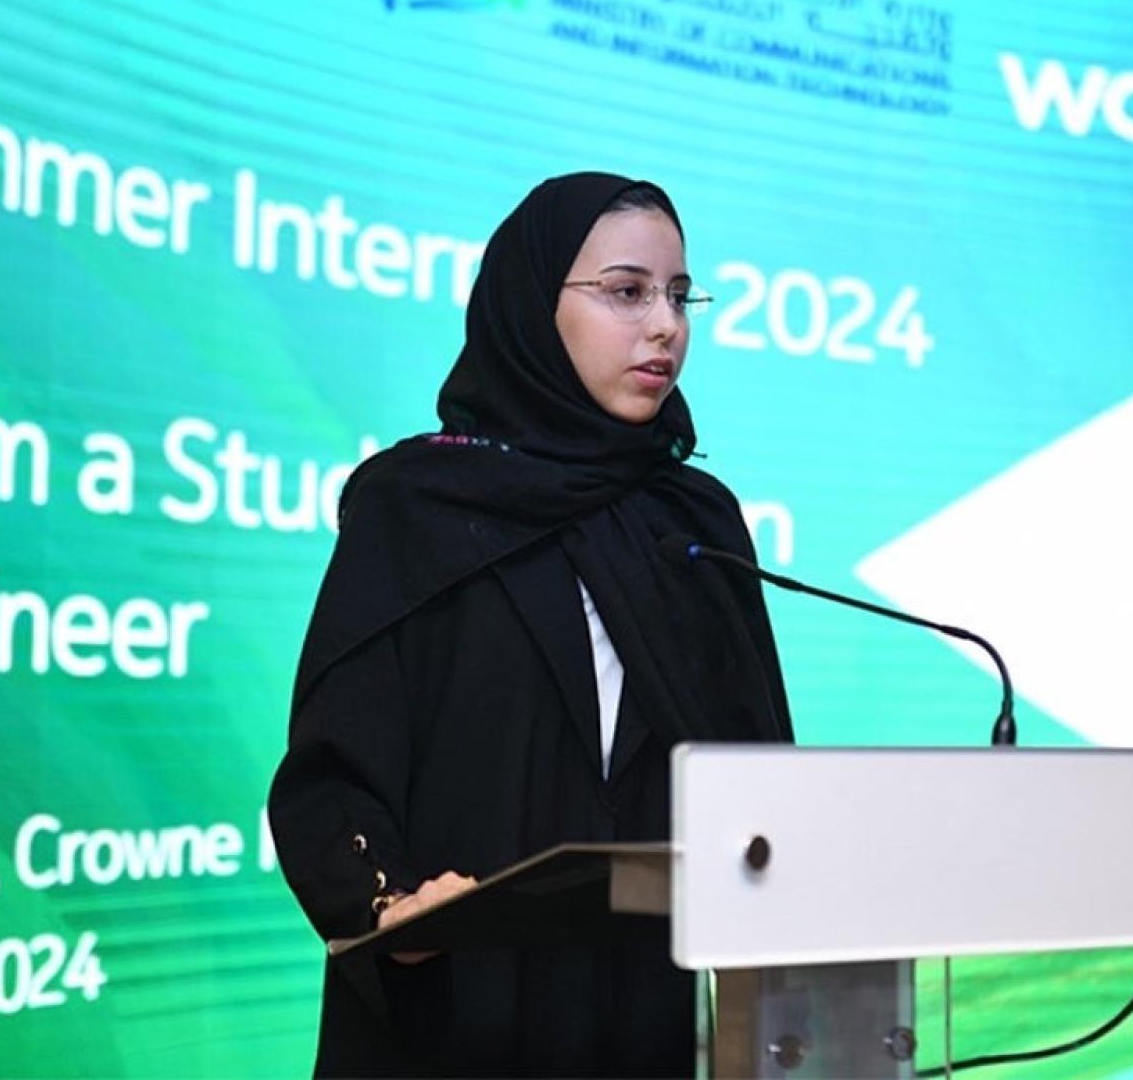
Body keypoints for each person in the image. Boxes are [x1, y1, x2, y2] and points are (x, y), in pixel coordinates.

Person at [269, 172, 793, 1077]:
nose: (666, 325)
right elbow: (329, 775)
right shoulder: (419, 507)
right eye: (627, 292)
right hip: (456, 999)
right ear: (530, 305)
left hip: (640, 1009)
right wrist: (384, 903)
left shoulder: (696, 526)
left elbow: (763, 788)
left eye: (678, 294)